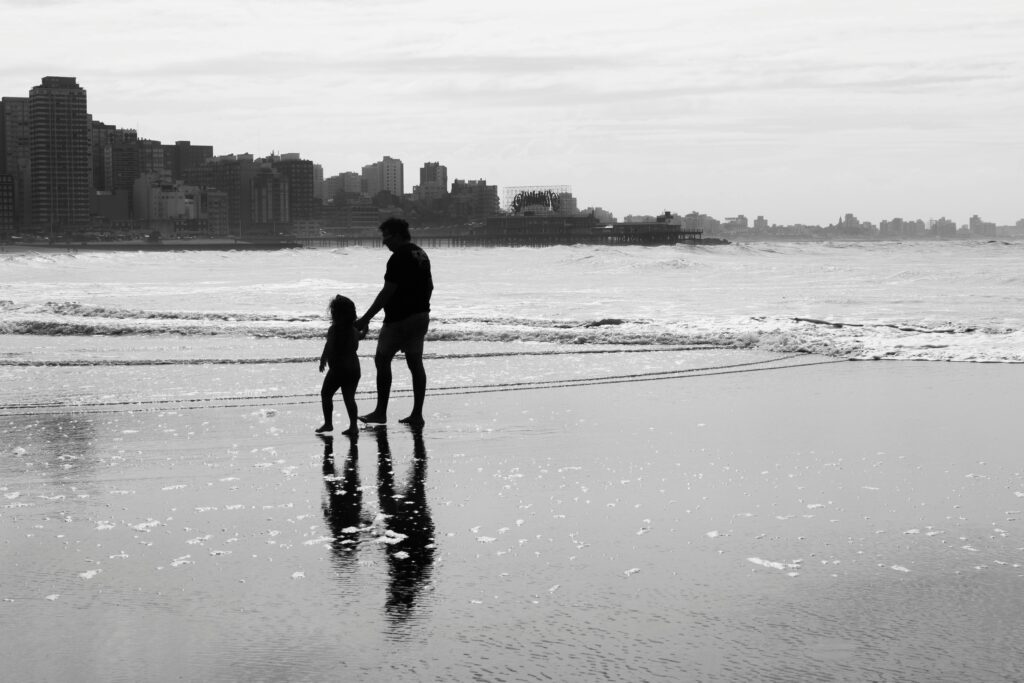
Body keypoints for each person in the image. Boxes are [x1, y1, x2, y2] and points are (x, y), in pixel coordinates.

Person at [355, 217, 433, 426]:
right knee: (415, 363)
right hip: (420, 316)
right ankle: (417, 415)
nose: (384, 242)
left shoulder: (398, 258)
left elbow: (387, 293)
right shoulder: (421, 254)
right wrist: (421, 307)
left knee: (382, 360)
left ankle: (381, 412)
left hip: (399, 319)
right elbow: (430, 286)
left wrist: (364, 319)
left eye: (386, 237)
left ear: (397, 235)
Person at [317, 294, 361, 435]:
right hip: (354, 368)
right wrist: (365, 330)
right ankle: (353, 426)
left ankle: (329, 424)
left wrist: (323, 358)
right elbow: (358, 339)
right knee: (349, 397)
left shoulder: (334, 330)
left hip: (338, 370)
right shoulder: (353, 330)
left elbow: (329, 345)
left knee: (326, 394)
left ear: (335, 314)